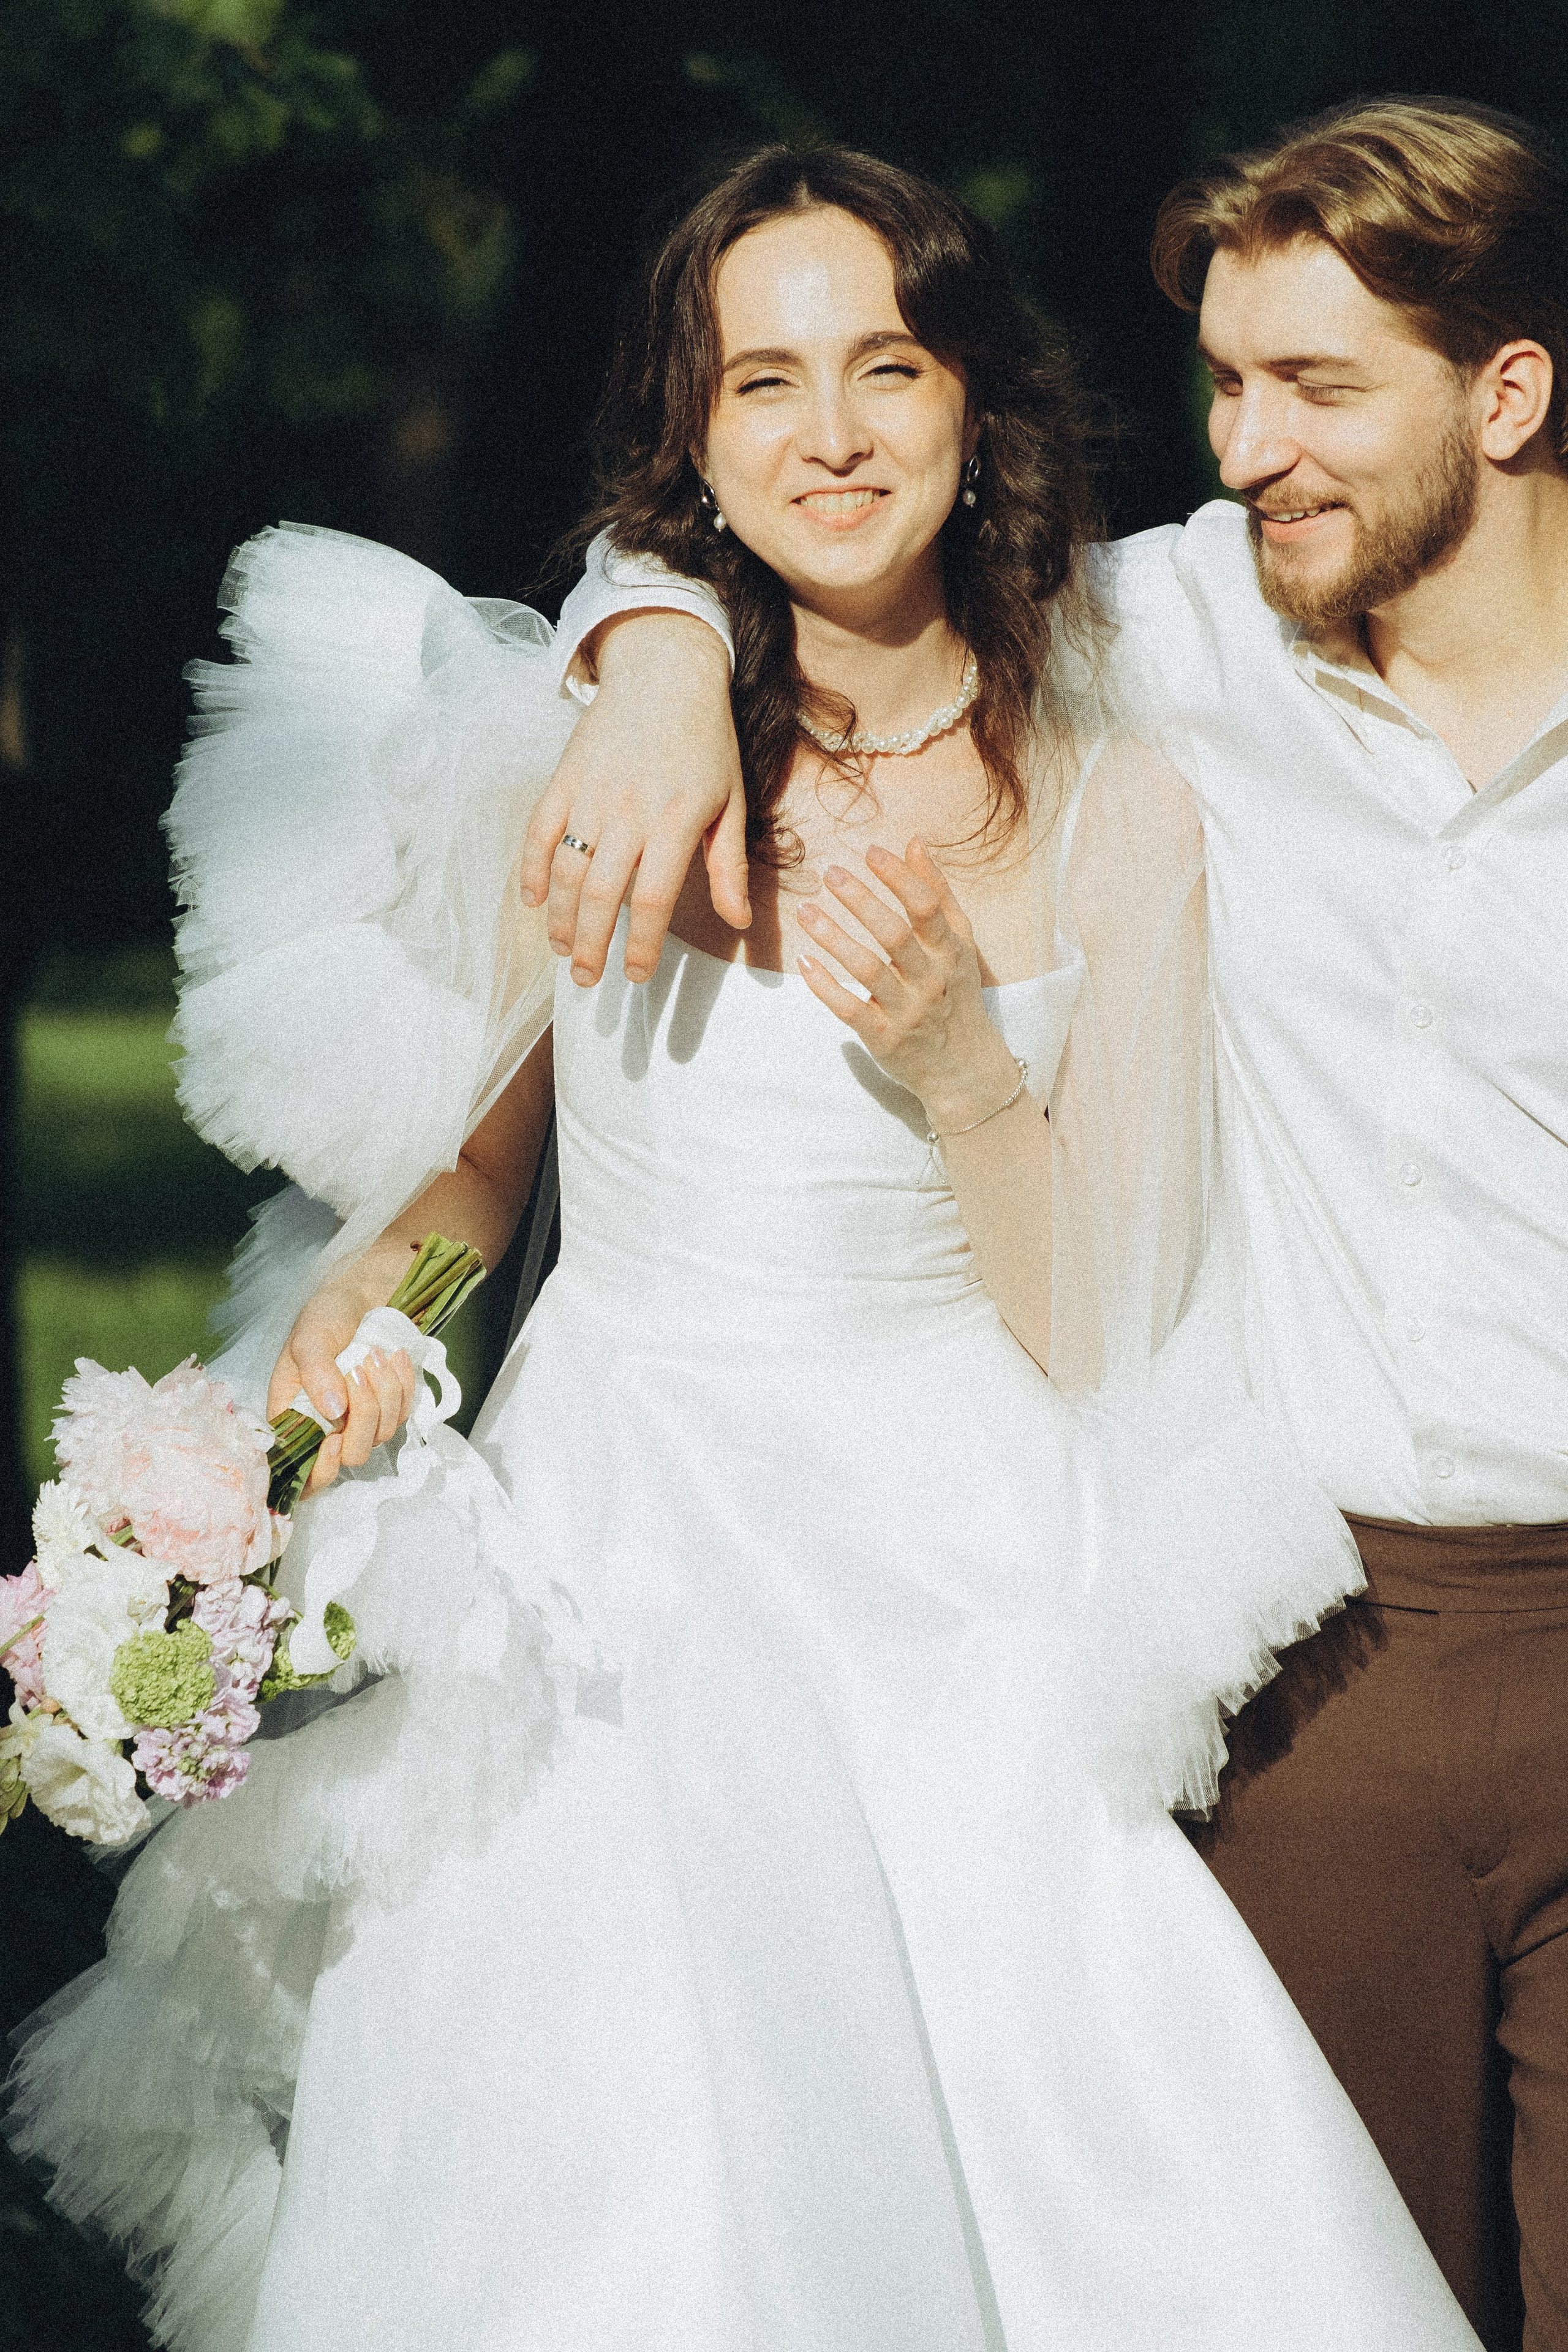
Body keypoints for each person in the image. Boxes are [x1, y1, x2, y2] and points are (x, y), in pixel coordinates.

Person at [3, 148, 1479, 2352]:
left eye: (889, 366)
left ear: (979, 401)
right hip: (620, 1541)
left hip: (953, 1575)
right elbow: (474, 1186)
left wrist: (968, 1065)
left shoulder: (1114, 800)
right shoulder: (603, 751)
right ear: (690, 443)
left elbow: (1098, 1318)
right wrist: (345, 1375)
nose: (834, 435)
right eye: (760, 382)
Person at [536, 100, 1568, 2352]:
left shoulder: (1146, 700)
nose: (1249, 446)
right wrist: (643, 648)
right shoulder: (1199, 625)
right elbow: (814, 523)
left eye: (1313, 387)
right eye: (1221, 383)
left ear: (1509, 395)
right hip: (1330, 1662)